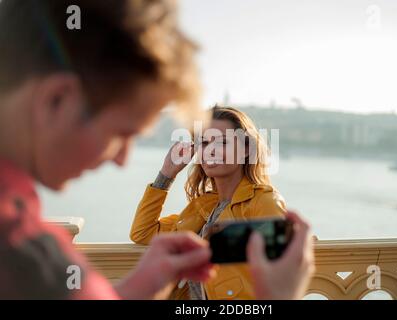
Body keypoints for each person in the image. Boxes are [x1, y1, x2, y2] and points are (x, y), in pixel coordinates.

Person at [0, 0, 314, 300]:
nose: (122, 158)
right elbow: (141, 233)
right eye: (121, 133)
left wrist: (137, 287)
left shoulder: (22, 233)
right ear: (57, 99)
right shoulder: (22, 246)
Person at [131, 105, 289, 299]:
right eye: (204, 143)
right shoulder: (204, 208)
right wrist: (166, 175)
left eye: (223, 142)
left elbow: (281, 275)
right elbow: (143, 232)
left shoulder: (263, 202)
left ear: (247, 149)